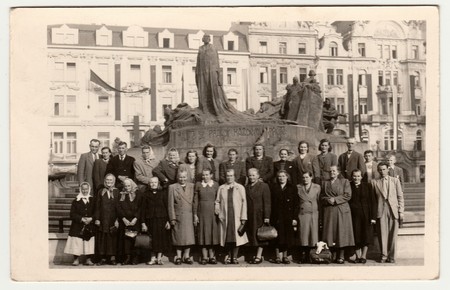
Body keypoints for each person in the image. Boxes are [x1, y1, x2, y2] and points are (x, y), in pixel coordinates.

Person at [195, 34, 237, 119]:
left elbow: (216, 61)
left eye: (207, 37)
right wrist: (197, 73)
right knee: (203, 91)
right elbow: (198, 62)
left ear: (209, 39)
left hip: (212, 72)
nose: (206, 39)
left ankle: (216, 109)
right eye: (204, 37)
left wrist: (217, 74)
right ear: (203, 39)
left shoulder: (213, 48)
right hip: (202, 73)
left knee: (213, 90)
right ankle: (204, 109)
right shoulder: (200, 49)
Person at [320, 165, 354, 264]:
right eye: (330, 171)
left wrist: (335, 199)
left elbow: (348, 195)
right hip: (329, 210)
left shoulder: (345, 182)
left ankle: (341, 255)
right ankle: (332, 254)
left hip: (341, 210)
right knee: (330, 233)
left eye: (334, 171)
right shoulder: (324, 183)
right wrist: (327, 199)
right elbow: (321, 196)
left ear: (338, 172)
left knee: (341, 232)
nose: (332, 173)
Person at [371, 162, 404, 263]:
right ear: (378, 170)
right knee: (382, 234)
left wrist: (401, 211)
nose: (382, 171)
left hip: (393, 210)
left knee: (393, 234)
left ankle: (392, 256)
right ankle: (384, 255)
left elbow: (400, 197)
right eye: (380, 170)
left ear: (388, 169)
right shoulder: (374, 182)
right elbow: (373, 200)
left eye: (384, 169)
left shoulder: (395, 181)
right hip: (381, 210)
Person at [215, 169, 249, 264]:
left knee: (236, 237)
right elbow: (217, 201)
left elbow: (244, 202)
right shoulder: (221, 188)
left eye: (231, 176)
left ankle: (235, 257)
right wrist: (218, 210)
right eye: (227, 176)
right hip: (225, 216)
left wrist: (243, 217)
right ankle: (229, 256)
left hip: (236, 216)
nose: (229, 177)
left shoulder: (240, 187)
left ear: (234, 177)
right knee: (227, 237)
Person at [270, 170, 299, 264]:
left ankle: (285, 256)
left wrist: (294, 218)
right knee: (277, 236)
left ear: (287, 177)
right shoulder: (274, 187)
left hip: (288, 216)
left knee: (287, 236)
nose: (281, 178)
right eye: (279, 176)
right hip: (276, 216)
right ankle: (277, 256)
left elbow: (296, 204)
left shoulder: (292, 187)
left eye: (283, 176)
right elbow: (271, 203)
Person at [64, 182, 95, 266]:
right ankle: (76, 259)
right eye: (83, 189)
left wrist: (91, 218)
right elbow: (72, 214)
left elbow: (97, 212)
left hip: (89, 224)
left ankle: (88, 259)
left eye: (86, 189)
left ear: (89, 189)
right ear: (80, 190)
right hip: (77, 225)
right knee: (76, 242)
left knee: (88, 242)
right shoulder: (76, 201)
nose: (85, 191)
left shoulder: (92, 200)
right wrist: (81, 219)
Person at [141, 177, 171, 266]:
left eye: (155, 182)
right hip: (150, 219)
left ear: (158, 183)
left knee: (161, 239)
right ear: (149, 184)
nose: (153, 184)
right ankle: (153, 258)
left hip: (161, 219)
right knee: (152, 240)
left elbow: (167, 207)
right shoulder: (145, 194)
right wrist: (143, 223)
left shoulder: (163, 193)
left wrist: (168, 221)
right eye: (151, 182)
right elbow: (142, 209)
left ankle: (159, 258)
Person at [168, 170, 196, 265]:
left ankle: (187, 256)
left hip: (189, 215)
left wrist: (195, 215)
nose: (182, 179)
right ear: (177, 177)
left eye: (184, 177)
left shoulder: (192, 186)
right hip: (178, 215)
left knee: (189, 237)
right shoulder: (172, 187)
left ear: (187, 177)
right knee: (178, 237)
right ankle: (179, 256)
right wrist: (172, 218)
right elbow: (170, 204)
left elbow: (194, 202)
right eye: (180, 177)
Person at [349, 169, 376, 264]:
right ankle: (357, 256)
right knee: (356, 236)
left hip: (366, 215)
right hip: (353, 215)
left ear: (361, 177)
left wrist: (373, 217)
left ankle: (363, 256)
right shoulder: (349, 186)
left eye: (358, 176)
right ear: (352, 176)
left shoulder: (368, 186)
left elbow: (373, 202)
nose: (356, 178)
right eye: (354, 176)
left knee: (366, 235)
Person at [193, 169, 220, 265]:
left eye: (207, 175)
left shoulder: (216, 185)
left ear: (211, 175)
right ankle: (204, 257)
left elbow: (218, 199)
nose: (205, 177)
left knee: (212, 234)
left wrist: (218, 208)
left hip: (213, 213)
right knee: (202, 234)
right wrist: (195, 214)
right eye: (203, 175)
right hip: (202, 212)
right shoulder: (198, 185)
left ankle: (212, 256)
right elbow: (195, 200)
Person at [245, 168, 271, 264]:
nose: (251, 177)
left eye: (253, 175)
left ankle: (259, 256)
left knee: (260, 235)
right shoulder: (246, 187)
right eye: (250, 175)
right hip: (249, 215)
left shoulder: (264, 186)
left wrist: (267, 216)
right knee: (251, 235)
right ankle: (253, 255)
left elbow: (267, 202)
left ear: (258, 176)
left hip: (259, 215)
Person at [94, 173, 119, 265]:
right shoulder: (101, 191)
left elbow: (119, 207)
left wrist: (117, 220)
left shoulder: (117, 192)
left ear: (114, 181)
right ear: (105, 181)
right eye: (107, 180)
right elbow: (97, 206)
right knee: (102, 238)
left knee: (112, 238)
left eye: (111, 180)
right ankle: (103, 258)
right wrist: (97, 218)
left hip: (113, 219)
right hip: (103, 218)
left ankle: (112, 257)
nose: (109, 182)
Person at [297, 171, 321, 263]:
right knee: (303, 236)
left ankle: (311, 256)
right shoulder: (298, 187)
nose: (305, 179)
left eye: (307, 177)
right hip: (303, 214)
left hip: (313, 214)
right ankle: (303, 256)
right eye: (303, 177)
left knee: (313, 235)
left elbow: (319, 201)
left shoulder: (317, 187)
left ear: (311, 177)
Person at [117, 178, 142, 265]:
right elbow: (118, 207)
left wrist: (135, 218)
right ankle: (127, 257)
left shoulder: (138, 194)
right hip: (125, 221)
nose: (127, 188)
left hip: (135, 221)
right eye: (125, 186)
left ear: (132, 185)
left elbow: (140, 208)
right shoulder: (121, 195)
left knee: (135, 239)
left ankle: (135, 258)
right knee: (126, 240)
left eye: (129, 186)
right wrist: (123, 218)